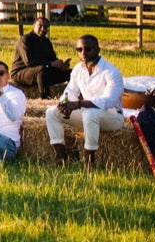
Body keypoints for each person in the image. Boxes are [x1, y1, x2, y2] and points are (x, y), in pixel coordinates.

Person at [45, 34, 124, 170]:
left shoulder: (111, 72)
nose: (83, 53)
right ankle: (61, 158)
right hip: (89, 114)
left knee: (90, 114)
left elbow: (109, 100)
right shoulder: (78, 69)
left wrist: (79, 104)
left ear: (98, 50)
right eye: (79, 49)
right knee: (51, 112)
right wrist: (64, 105)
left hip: (113, 117)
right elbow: (70, 91)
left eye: (87, 49)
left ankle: (89, 162)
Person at [11, 16, 71, 98]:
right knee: (42, 70)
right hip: (21, 72)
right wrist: (51, 64)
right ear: (34, 26)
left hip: (43, 72)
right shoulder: (25, 40)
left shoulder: (46, 42)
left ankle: (72, 96)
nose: (43, 29)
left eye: (45, 27)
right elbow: (29, 62)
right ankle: (45, 97)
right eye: (40, 26)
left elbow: (52, 59)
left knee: (70, 73)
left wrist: (61, 65)